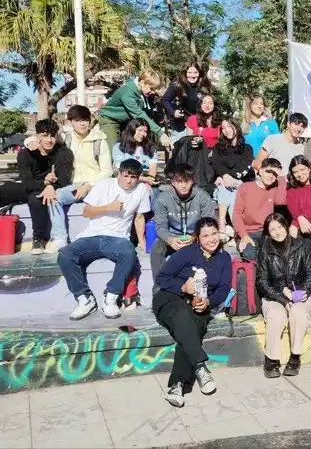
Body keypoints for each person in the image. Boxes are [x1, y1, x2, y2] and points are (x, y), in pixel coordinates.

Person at [56, 159, 149, 320]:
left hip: (118, 238)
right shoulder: (104, 184)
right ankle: (85, 299)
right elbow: (86, 212)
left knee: (128, 252)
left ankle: (111, 296)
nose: (129, 180)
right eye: (126, 176)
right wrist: (108, 207)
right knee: (65, 255)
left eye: (133, 177)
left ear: (138, 177)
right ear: (118, 174)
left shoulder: (141, 190)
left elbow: (139, 217)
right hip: (92, 235)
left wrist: (142, 243)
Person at [155, 217, 232, 407]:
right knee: (184, 317)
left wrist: (208, 302)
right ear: (197, 238)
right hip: (171, 299)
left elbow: (223, 289)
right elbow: (162, 278)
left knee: (190, 329)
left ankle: (177, 386)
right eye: (205, 236)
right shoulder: (187, 253)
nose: (211, 239)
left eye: (214, 233)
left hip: (200, 305)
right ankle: (200, 365)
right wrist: (182, 287)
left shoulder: (224, 258)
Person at [0, 119, 73, 254]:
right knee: (4, 189)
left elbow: (64, 180)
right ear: (37, 136)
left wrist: (50, 186)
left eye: (52, 135)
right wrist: (44, 183)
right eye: (44, 136)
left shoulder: (64, 153)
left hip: (52, 187)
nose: (49, 140)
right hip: (32, 185)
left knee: (36, 198)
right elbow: (26, 181)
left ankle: (38, 240)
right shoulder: (25, 153)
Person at [257, 213, 311, 378]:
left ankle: (295, 357)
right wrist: (283, 298)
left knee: (298, 312)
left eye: (280, 227)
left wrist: (303, 291)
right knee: (276, 314)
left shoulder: (301, 246)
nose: (277, 232)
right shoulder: (265, 251)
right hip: (274, 296)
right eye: (272, 229)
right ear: (268, 233)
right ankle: (271, 359)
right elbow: (262, 282)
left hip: (299, 294)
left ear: (286, 226)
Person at [47, 105, 113, 251]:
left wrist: (88, 185)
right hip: (74, 187)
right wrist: (29, 141)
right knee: (55, 196)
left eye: (85, 120)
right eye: (78, 120)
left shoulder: (99, 140)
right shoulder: (66, 138)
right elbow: (45, 137)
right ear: (70, 122)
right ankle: (60, 238)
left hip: (96, 187)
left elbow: (107, 171)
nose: (83, 124)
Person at [150, 164, 216, 287]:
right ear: (173, 182)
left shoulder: (202, 197)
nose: (183, 185)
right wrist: (170, 239)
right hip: (172, 236)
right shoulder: (162, 199)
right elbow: (160, 227)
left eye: (187, 181)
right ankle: (159, 288)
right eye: (179, 181)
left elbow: (209, 223)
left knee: (211, 245)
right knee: (156, 248)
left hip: (196, 236)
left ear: (193, 180)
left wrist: (195, 237)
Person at [97, 70, 170, 150]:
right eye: (151, 88)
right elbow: (139, 115)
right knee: (114, 151)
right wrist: (160, 133)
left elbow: (146, 114)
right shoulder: (127, 94)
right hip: (109, 120)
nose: (153, 92)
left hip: (124, 121)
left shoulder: (141, 93)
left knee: (130, 149)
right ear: (142, 83)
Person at [232, 158, 287, 260]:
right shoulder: (246, 187)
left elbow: (280, 201)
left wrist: (282, 178)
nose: (271, 176)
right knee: (250, 254)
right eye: (268, 171)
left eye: (274, 174)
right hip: (248, 232)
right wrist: (243, 235)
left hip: (267, 232)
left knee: (277, 254)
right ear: (260, 171)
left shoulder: (274, 189)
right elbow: (237, 214)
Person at [209, 118, 254, 239]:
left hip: (241, 182)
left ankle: (226, 226)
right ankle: (227, 225)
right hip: (223, 184)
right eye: (223, 128)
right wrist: (224, 176)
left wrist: (230, 177)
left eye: (229, 126)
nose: (226, 130)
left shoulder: (247, 148)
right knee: (225, 188)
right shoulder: (218, 147)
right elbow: (216, 164)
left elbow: (245, 166)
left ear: (236, 127)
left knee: (232, 189)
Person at [162, 63, 212, 142]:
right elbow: (165, 100)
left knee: (197, 151)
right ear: (185, 73)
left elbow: (210, 104)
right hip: (181, 125)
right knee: (181, 151)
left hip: (199, 125)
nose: (192, 75)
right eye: (189, 72)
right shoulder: (176, 85)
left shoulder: (204, 86)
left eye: (195, 72)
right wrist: (173, 112)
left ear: (199, 73)